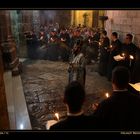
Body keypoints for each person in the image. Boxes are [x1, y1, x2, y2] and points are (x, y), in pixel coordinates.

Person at [91, 66, 140, 130]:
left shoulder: (105, 104)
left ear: (112, 81)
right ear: (128, 81)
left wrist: (97, 110)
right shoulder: (137, 101)